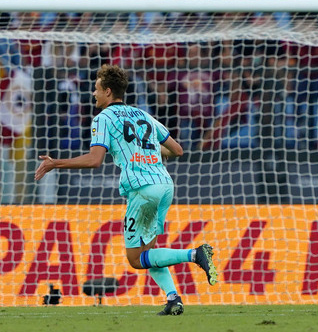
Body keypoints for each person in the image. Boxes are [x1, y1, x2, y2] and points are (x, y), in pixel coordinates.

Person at [34, 65, 217, 316]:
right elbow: (177, 150)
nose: (94, 94)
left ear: (108, 91)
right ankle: (173, 298)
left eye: (97, 89)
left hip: (142, 189)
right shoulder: (143, 115)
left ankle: (195, 254)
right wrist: (148, 150)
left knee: (135, 259)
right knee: (149, 253)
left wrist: (55, 163)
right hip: (165, 185)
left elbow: (94, 160)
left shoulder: (103, 118)